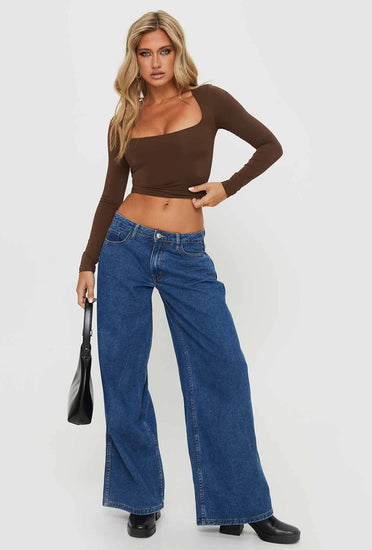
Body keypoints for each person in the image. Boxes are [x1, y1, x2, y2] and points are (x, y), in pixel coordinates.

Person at [76, 10, 301, 544]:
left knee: (223, 370)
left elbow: (270, 145)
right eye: (145, 53)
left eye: (164, 50)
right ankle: (140, 499)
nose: (155, 62)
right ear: (134, 59)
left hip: (186, 254)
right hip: (124, 248)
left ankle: (241, 504)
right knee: (123, 373)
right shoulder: (124, 119)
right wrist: (88, 261)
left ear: (178, 52)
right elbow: (110, 195)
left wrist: (227, 187)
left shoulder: (210, 100)